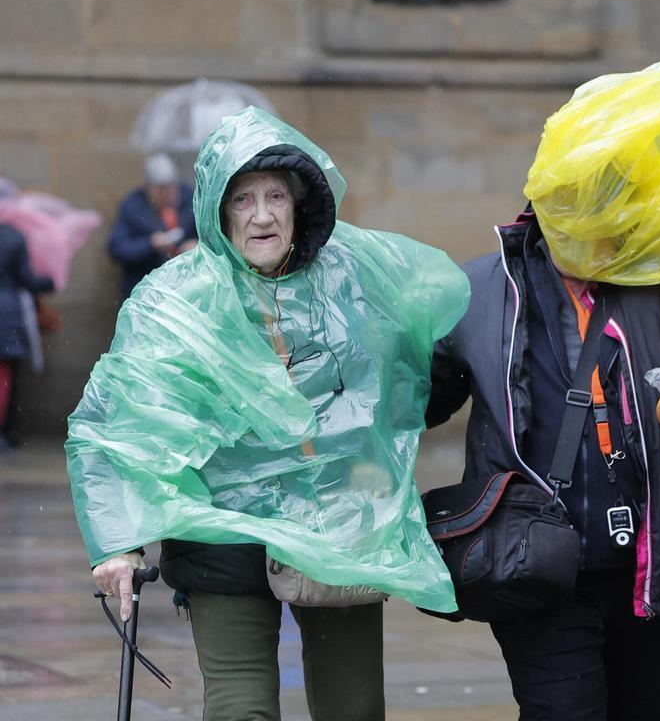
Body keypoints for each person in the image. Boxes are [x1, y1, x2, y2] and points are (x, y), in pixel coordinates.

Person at [72, 108, 467, 721]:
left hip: (338, 527)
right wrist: (116, 542)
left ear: (298, 204)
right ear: (218, 211)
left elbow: (417, 368)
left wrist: (382, 465)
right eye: (244, 199)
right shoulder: (174, 301)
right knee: (240, 710)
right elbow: (113, 422)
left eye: (276, 196)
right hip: (221, 531)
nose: (262, 214)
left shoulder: (352, 278)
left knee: (353, 708)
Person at [425, 207, 660, 720]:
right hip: (530, 561)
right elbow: (418, 402)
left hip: (648, 566)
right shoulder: (479, 290)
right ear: (541, 206)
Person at [108, 152, 198, 299]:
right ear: (148, 188)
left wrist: (197, 246)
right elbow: (117, 248)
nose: (167, 194)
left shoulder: (191, 199)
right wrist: (150, 244)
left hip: (186, 287)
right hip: (146, 288)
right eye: (161, 190)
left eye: (171, 188)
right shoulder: (133, 207)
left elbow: (213, 234)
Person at [0, 222, 53, 451]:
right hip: (7, 314)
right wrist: (49, 281)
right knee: (5, 379)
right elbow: (27, 278)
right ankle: (5, 433)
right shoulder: (13, 236)